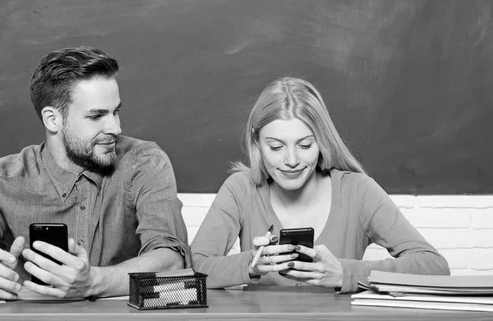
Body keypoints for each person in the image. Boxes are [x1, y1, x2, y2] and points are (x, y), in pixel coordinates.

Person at [0, 46, 190, 300]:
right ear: (53, 119)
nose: (115, 127)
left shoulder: (145, 162)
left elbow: (174, 262)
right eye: (97, 116)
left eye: (116, 111)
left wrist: (93, 282)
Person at [191, 77, 449, 293]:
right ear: (257, 143)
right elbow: (195, 268)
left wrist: (344, 274)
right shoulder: (241, 189)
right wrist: (251, 265)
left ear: (322, 142)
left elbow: (435, 268)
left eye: (305, 145)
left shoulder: (357, 191)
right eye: (276, 147)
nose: (291, 160)